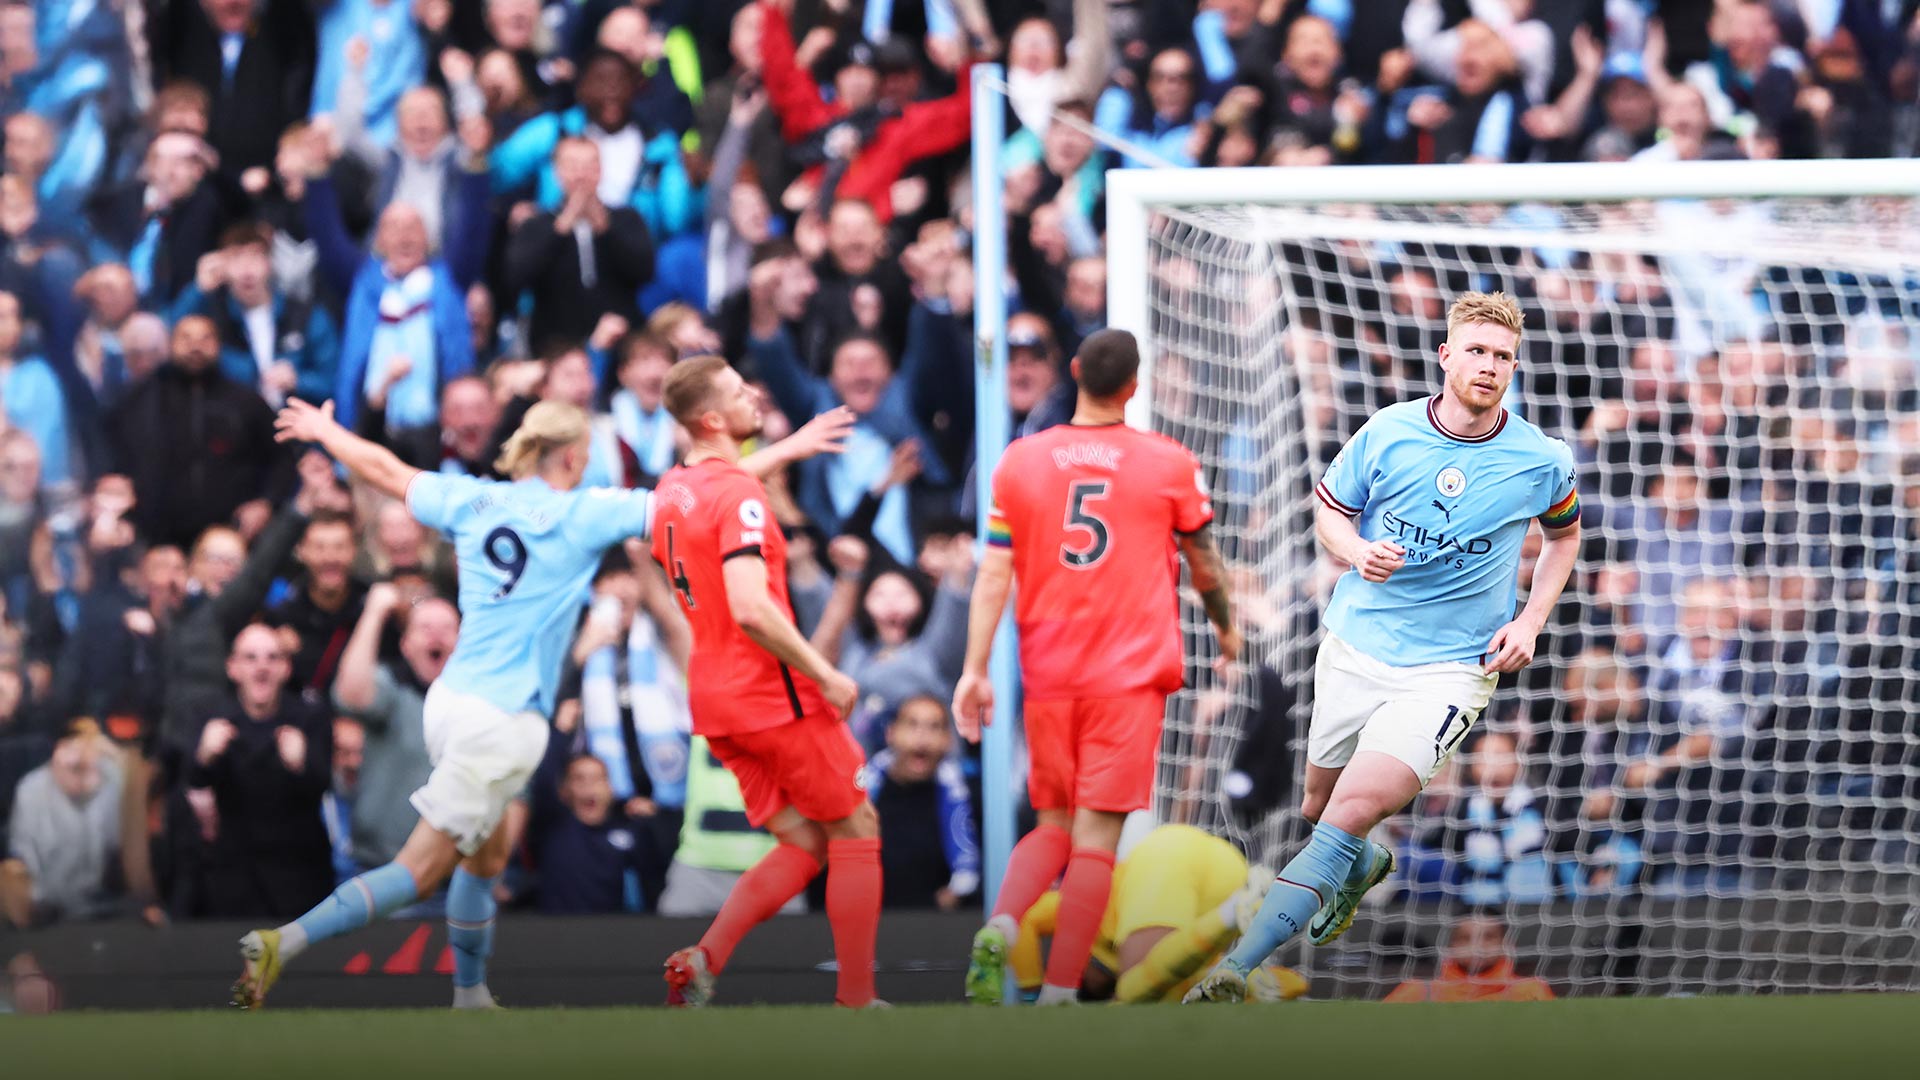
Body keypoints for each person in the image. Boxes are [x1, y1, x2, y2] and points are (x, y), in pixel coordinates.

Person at [235, 387, 850, 1010]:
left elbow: (387, 471)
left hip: (449, 703)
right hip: (502, 720)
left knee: (488, 851)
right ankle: (284, 941)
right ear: (574, 457)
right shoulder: (584, 513)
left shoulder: (473, 497)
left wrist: (325, 430)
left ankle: (471, 996)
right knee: (420, 869)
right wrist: (791, 447)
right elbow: (709, 494)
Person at [1186, 292, 1581, 1003]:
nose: (1489, 367)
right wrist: (1357, 551)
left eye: (1502, 357)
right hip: (1357, 644)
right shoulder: (1388, 431)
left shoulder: (1540, 459)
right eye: (1478, 352)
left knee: (1347, 809)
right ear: (1447, 356)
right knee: (1318, 805)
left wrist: (1529, 622)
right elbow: (1332, 511)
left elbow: (1565, 536)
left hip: (1450, 670)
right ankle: (1362, 864)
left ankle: (1235, 969)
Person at [953, 328, 1239, 1006]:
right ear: (1134, 386)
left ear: (1074, 372)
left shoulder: (1019, 461)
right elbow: (1204, 566)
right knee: (1094, 842)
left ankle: (1001, 921)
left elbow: (994, 573)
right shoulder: (1168, 462)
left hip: (1049, 671)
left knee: (1050, 824)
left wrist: (974, 669)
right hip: (1127, 676)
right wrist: (1228, 629)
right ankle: (1059, 990)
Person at [651, 355, 881, 1009]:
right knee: (857, 828)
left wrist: (790, 447)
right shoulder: (741, 496)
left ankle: (703, 959)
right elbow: (752, 607)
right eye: (736, 390)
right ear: (712, 418)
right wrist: (825, 672)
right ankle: (859, 1002)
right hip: (771, 694)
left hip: (715, 701)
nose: (753, 392)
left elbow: (719, 489)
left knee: (804, 842)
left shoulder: (674, 487)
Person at [1008, 824, 1299, 1005]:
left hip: (1165, 857)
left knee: (1135, 991)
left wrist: (1031, 992)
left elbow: (1026, 917)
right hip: (1225, 869)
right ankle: (1253, 984)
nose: (1091, 983)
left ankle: (1231, 914)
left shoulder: (1078, 917)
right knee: (1172, 983)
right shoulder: (1093, 926)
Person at [190, 624, 335, 920]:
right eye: (251, 658)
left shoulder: (310, 717)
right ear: (233, 668)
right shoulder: (212, 719)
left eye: (272, 658)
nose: (262, 667)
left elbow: (323, 786)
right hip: (235, 880)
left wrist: (301, 765)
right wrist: (203, 757)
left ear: (286, 668)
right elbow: (191, 789)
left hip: (299, 877)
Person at [1383, 912, 1556, 1002]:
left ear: (1507, 945)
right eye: (1465, 938)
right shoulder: (1418, 991)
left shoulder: (1530, 991)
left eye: (1488, 937)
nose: (1477, 946)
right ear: (1450, 947)